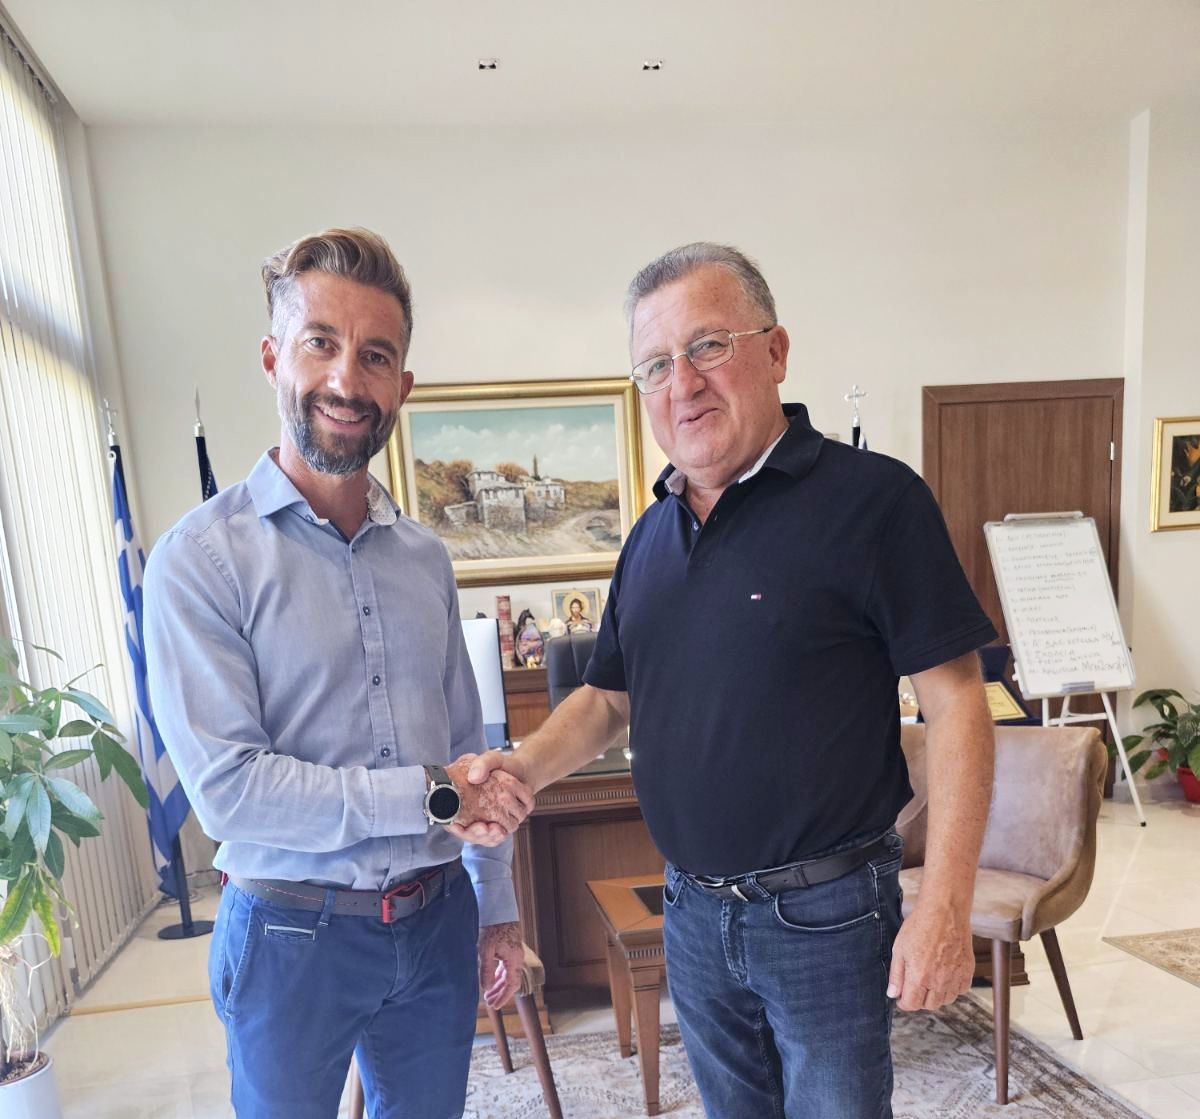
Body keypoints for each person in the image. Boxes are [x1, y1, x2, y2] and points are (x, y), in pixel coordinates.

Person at [458, 243, 997, 1118]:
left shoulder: (876, 501)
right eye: (656, 364)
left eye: (708, 346)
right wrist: (521, 767)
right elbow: (607, 698)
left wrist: (945, 905)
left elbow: (958, 701)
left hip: (828, 916)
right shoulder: (650, 536)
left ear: (775, 351)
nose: (684, 382)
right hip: (692, 915)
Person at [144, 228, 534, 1119]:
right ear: (273, 358)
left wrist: (496, 905)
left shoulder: (426, 559)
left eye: (376, 356)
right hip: (290, 935)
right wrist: (432, 794)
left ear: (403, 386)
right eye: (321, 343)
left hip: (435, 922)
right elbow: (232, 794)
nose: (347, 380)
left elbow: (470, 748)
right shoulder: (198, 560)